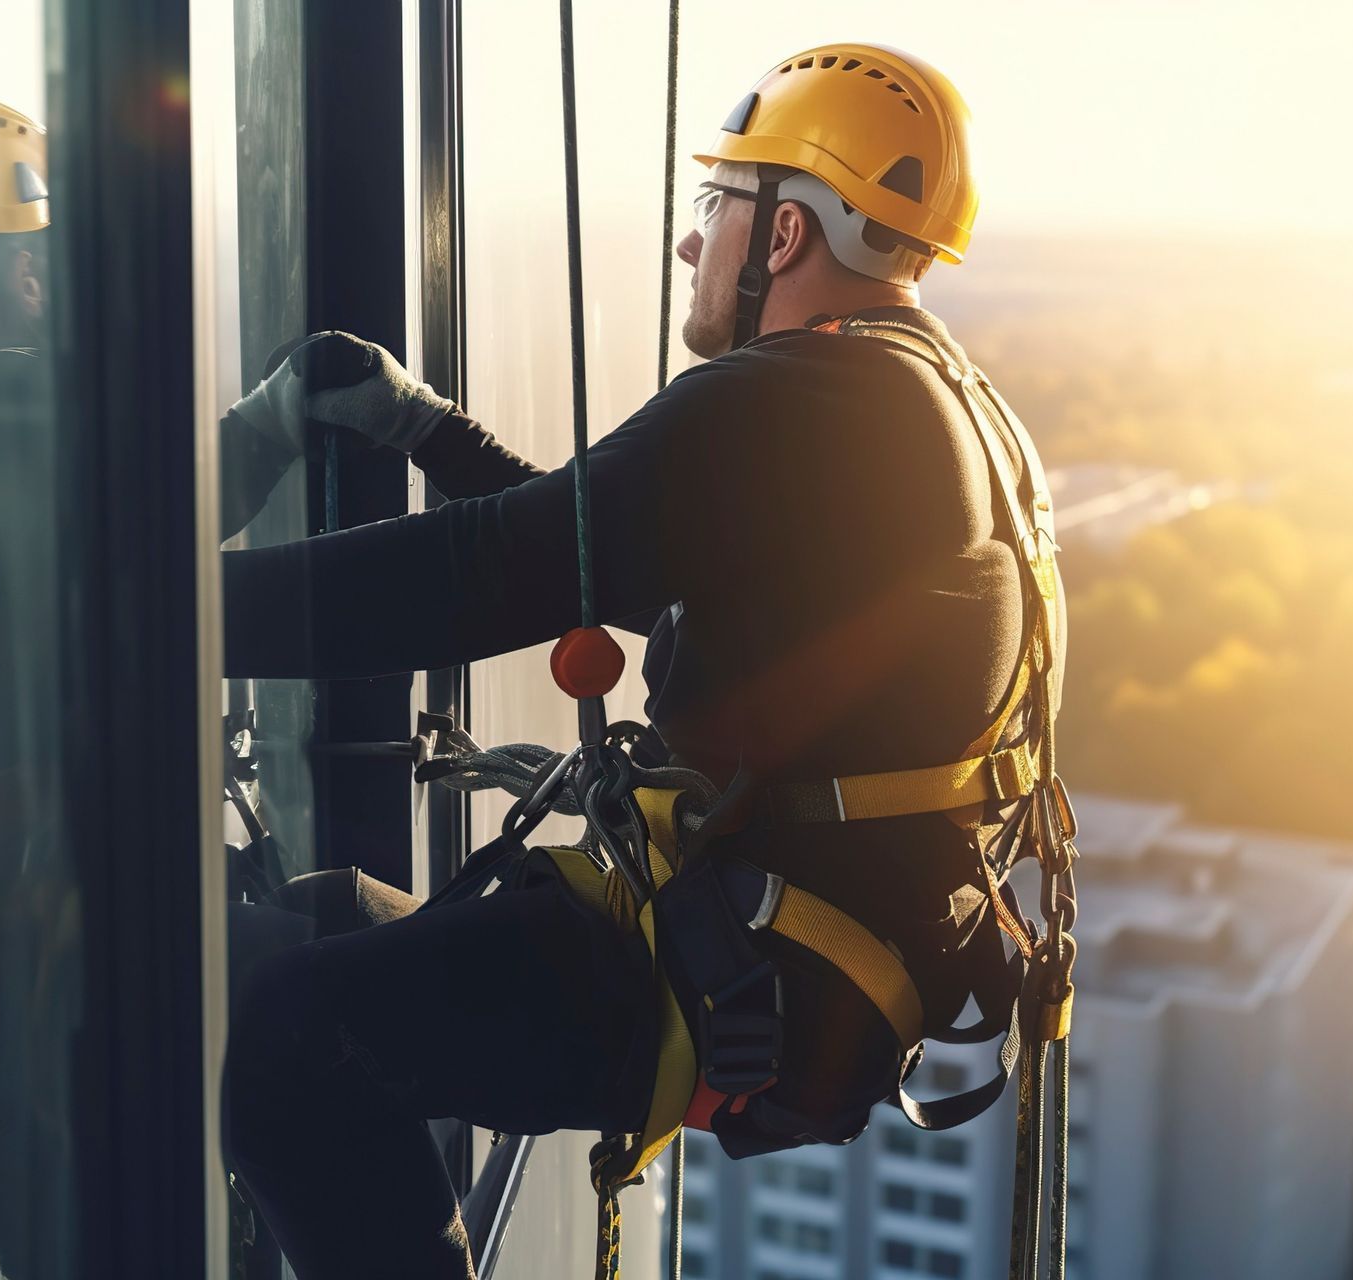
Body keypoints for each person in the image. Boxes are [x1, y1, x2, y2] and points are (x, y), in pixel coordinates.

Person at [217, 43, 1066, 1279]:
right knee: (321, 917)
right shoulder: (945, 411)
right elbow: (606, 551)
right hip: (799, 962)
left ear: (783, 234)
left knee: (283, 1032)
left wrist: (164, 613)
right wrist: (425, 431)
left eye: (713, 207)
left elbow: (486, 575)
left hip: (727, 967)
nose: (692, 244)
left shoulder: (802, 400)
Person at [0, 90, 418, 1278]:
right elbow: (161, 506)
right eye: (27, 255)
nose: (53, 278)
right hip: (34, 956)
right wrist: (287, 409)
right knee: (328, 987)